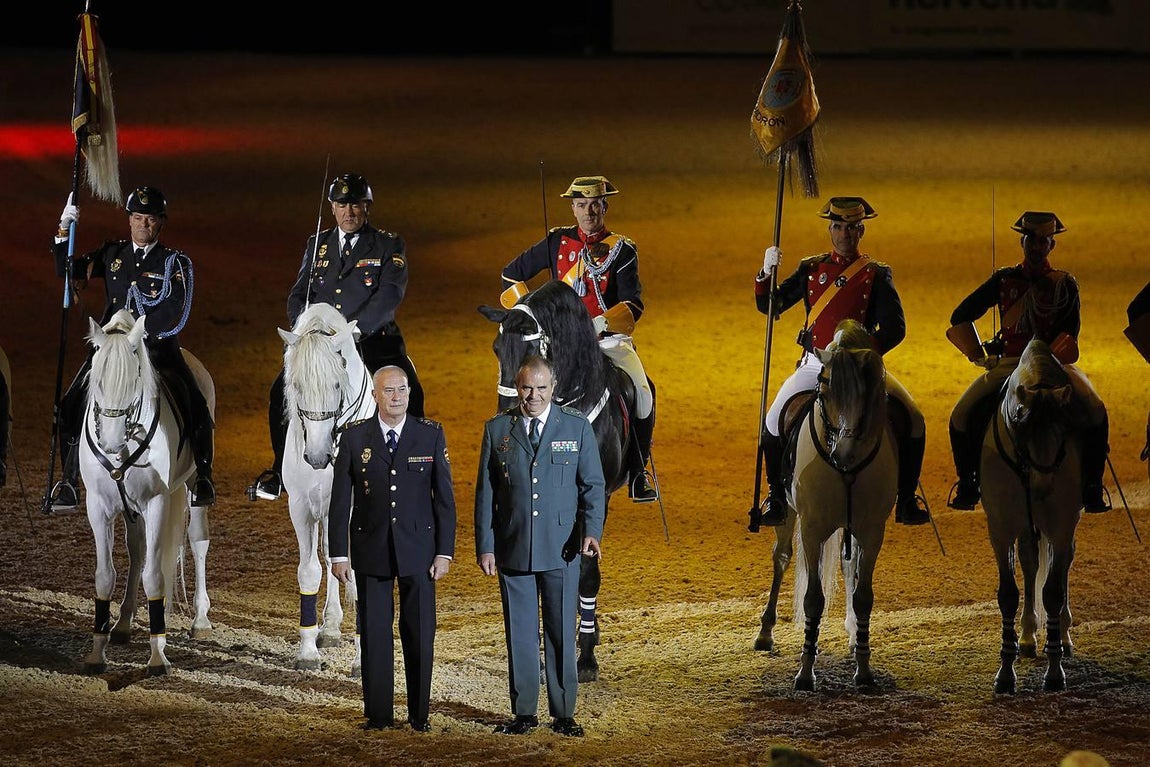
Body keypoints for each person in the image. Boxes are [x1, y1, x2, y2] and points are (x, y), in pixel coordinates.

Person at [753, 196, 929, 527]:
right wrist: (765, 272)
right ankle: (776, 495)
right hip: (816, 365)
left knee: (914, 418)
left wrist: (864, 354)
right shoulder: (811, 269)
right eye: (838, 227)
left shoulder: (876, 274)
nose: (845, 235)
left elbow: (895, 327)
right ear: (829, 230)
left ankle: (906, 499)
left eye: (851, 228)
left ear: (861, 231)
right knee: (774, 419)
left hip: (862, 368)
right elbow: (770, 306)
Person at [250, 172, 424, 500]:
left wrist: (352, 331)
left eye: (356, 204)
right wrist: (305, 329)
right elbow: (300, 293)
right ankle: (279, 471)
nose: (349, 211)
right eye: (342, 204)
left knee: (411, 391)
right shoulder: (317, 245)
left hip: (373, 340)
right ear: (332, 207)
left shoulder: (388, 244)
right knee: (278, 394)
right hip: (321, 344)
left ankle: (413, 467)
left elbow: (389, 295)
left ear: (367, 207)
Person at [48, 186, 215, 511]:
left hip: (156, 349)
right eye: (138, 218)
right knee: (70, 403)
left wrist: (140, 332)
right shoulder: (113, 254)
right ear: (129, 220)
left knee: (194, 401)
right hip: (112, 350)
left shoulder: (173, 262)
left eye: (150, 219)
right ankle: (68, 480)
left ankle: (203, 476)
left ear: (160, 223)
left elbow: (176, 308)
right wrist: (63, 230)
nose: (143, 225)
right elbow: (67, 271)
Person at [499, 175, 657, 503]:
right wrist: (533, 311)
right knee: (520, 383)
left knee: (644, 390)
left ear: (605, 207)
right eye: (582, 205)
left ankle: (639, 470)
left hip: (605, 339)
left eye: (595, 205)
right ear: (573, 208)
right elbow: (510, 274)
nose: (589, 212)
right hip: (559, 341)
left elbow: (633, 303)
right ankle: (512, 457)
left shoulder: (622, 249)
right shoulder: (557, 241)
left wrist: (601, 321)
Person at [474, 354, 606, 738]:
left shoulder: (576, 428)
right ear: (518, 388)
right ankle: (524, 712)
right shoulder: (497, 429)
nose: (534, 395)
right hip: (513, 547)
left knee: (561, 632)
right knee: (520, 632)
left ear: (554, 387)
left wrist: (591, 531)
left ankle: (564, 713)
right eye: (527, 388)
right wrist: (486, 545)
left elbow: (592, 487)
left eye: (541, 388)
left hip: (562, 548)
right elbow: (486, 494)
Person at [946, 211, 1110, 512]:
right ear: (1022, 241)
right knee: (961, 415)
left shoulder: (1064, 284)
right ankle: (968, 483)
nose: (1036, 247)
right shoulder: (1004, 280)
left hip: (1052, 365)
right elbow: (961, 315)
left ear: (1052, 246)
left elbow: (1070, 332)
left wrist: (1049, 359)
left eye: (1043, 241)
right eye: (1031, 240)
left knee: (1097, 412)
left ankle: (1092, 486)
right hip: (1010, 363)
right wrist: (977, 353)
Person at [328, 365, 455, 732]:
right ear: (374, 395)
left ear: (409, 394)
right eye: (389, 391)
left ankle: (419, 715)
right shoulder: (354, 438)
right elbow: (340, 501)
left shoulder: (429, 435)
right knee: (374, 632)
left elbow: (445, 499)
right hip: (371, 550)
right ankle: (379, 715)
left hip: (419, 550)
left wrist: (444, 552)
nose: (397, 397)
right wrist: (339, 554)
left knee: (419, 633)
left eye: (402, 390)